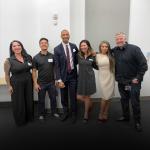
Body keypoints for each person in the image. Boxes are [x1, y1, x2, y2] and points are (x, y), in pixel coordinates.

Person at [112, 32, 148, 132]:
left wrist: (138, 78)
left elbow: (144, 65)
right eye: (117, 39)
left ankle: (137, 121)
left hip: (133, 82)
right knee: (123, 100)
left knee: (134, 102)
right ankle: (125, 116)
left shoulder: (134, 49)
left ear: (125, 38)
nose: (119, 40)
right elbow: (105, 52)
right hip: (121, 81)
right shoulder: (115, 50)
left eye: (121, 38)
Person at [4, 40, 34, 126]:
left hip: (28, 81)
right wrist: (9, 86)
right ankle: (20, 121)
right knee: (19, 102)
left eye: (18, 45)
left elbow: (33, 70)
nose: (17, 47)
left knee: (29, 100)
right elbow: (6, 75)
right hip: (16, 82)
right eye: (14, 46)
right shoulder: (8, 60)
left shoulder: (28, 57)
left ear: (21, 46)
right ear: (12, 48)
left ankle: (29, 118)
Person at [54, 29, 78, 123]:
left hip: (73, 75)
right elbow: (57, 66)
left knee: (73, 95)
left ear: (69, 35)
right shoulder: (57, 49)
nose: (65, 36)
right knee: (63, 96)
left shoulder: (74, 46)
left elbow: (77, 59)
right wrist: (59, 79)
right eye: (63, 34)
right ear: (61, 36)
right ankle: (65, 112)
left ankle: (74, 113)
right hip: (63, 76)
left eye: (67, 34)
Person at [32, 38, 59, 121]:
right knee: (41, 100)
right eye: (42, 43)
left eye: (45, 43)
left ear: (48, 44)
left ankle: (54, 112)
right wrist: (35, 83)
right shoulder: (35, 57)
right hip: (41, 83)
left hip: (51, 83)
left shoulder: (52, 56)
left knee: (53, 98)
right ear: (39, 45)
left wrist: (57, 80)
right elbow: (34, 71)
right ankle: (41, 114)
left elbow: (56, 69)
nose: (44, 44)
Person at [77, 40, 98, 123]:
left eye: (84, 45)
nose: (83, 47)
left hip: (90, 78)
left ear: (88, 46)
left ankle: (86, 114)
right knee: (78, 97)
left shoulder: (93, 56)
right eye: (81, 46)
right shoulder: (78, 55)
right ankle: (89, 103)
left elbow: (96, 67)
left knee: (87, 96)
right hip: (81, 78)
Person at [96, 41, 115, 122]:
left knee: (109, 97)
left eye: (106, 46)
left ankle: (106, 113)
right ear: (100, 47)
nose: (104, 48)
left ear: (108, 48)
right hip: (102, 78)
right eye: (102, 46)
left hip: (111, 77)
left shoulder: (111, 56)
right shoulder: (96, 55)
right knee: (104, 97)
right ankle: (101, 113)